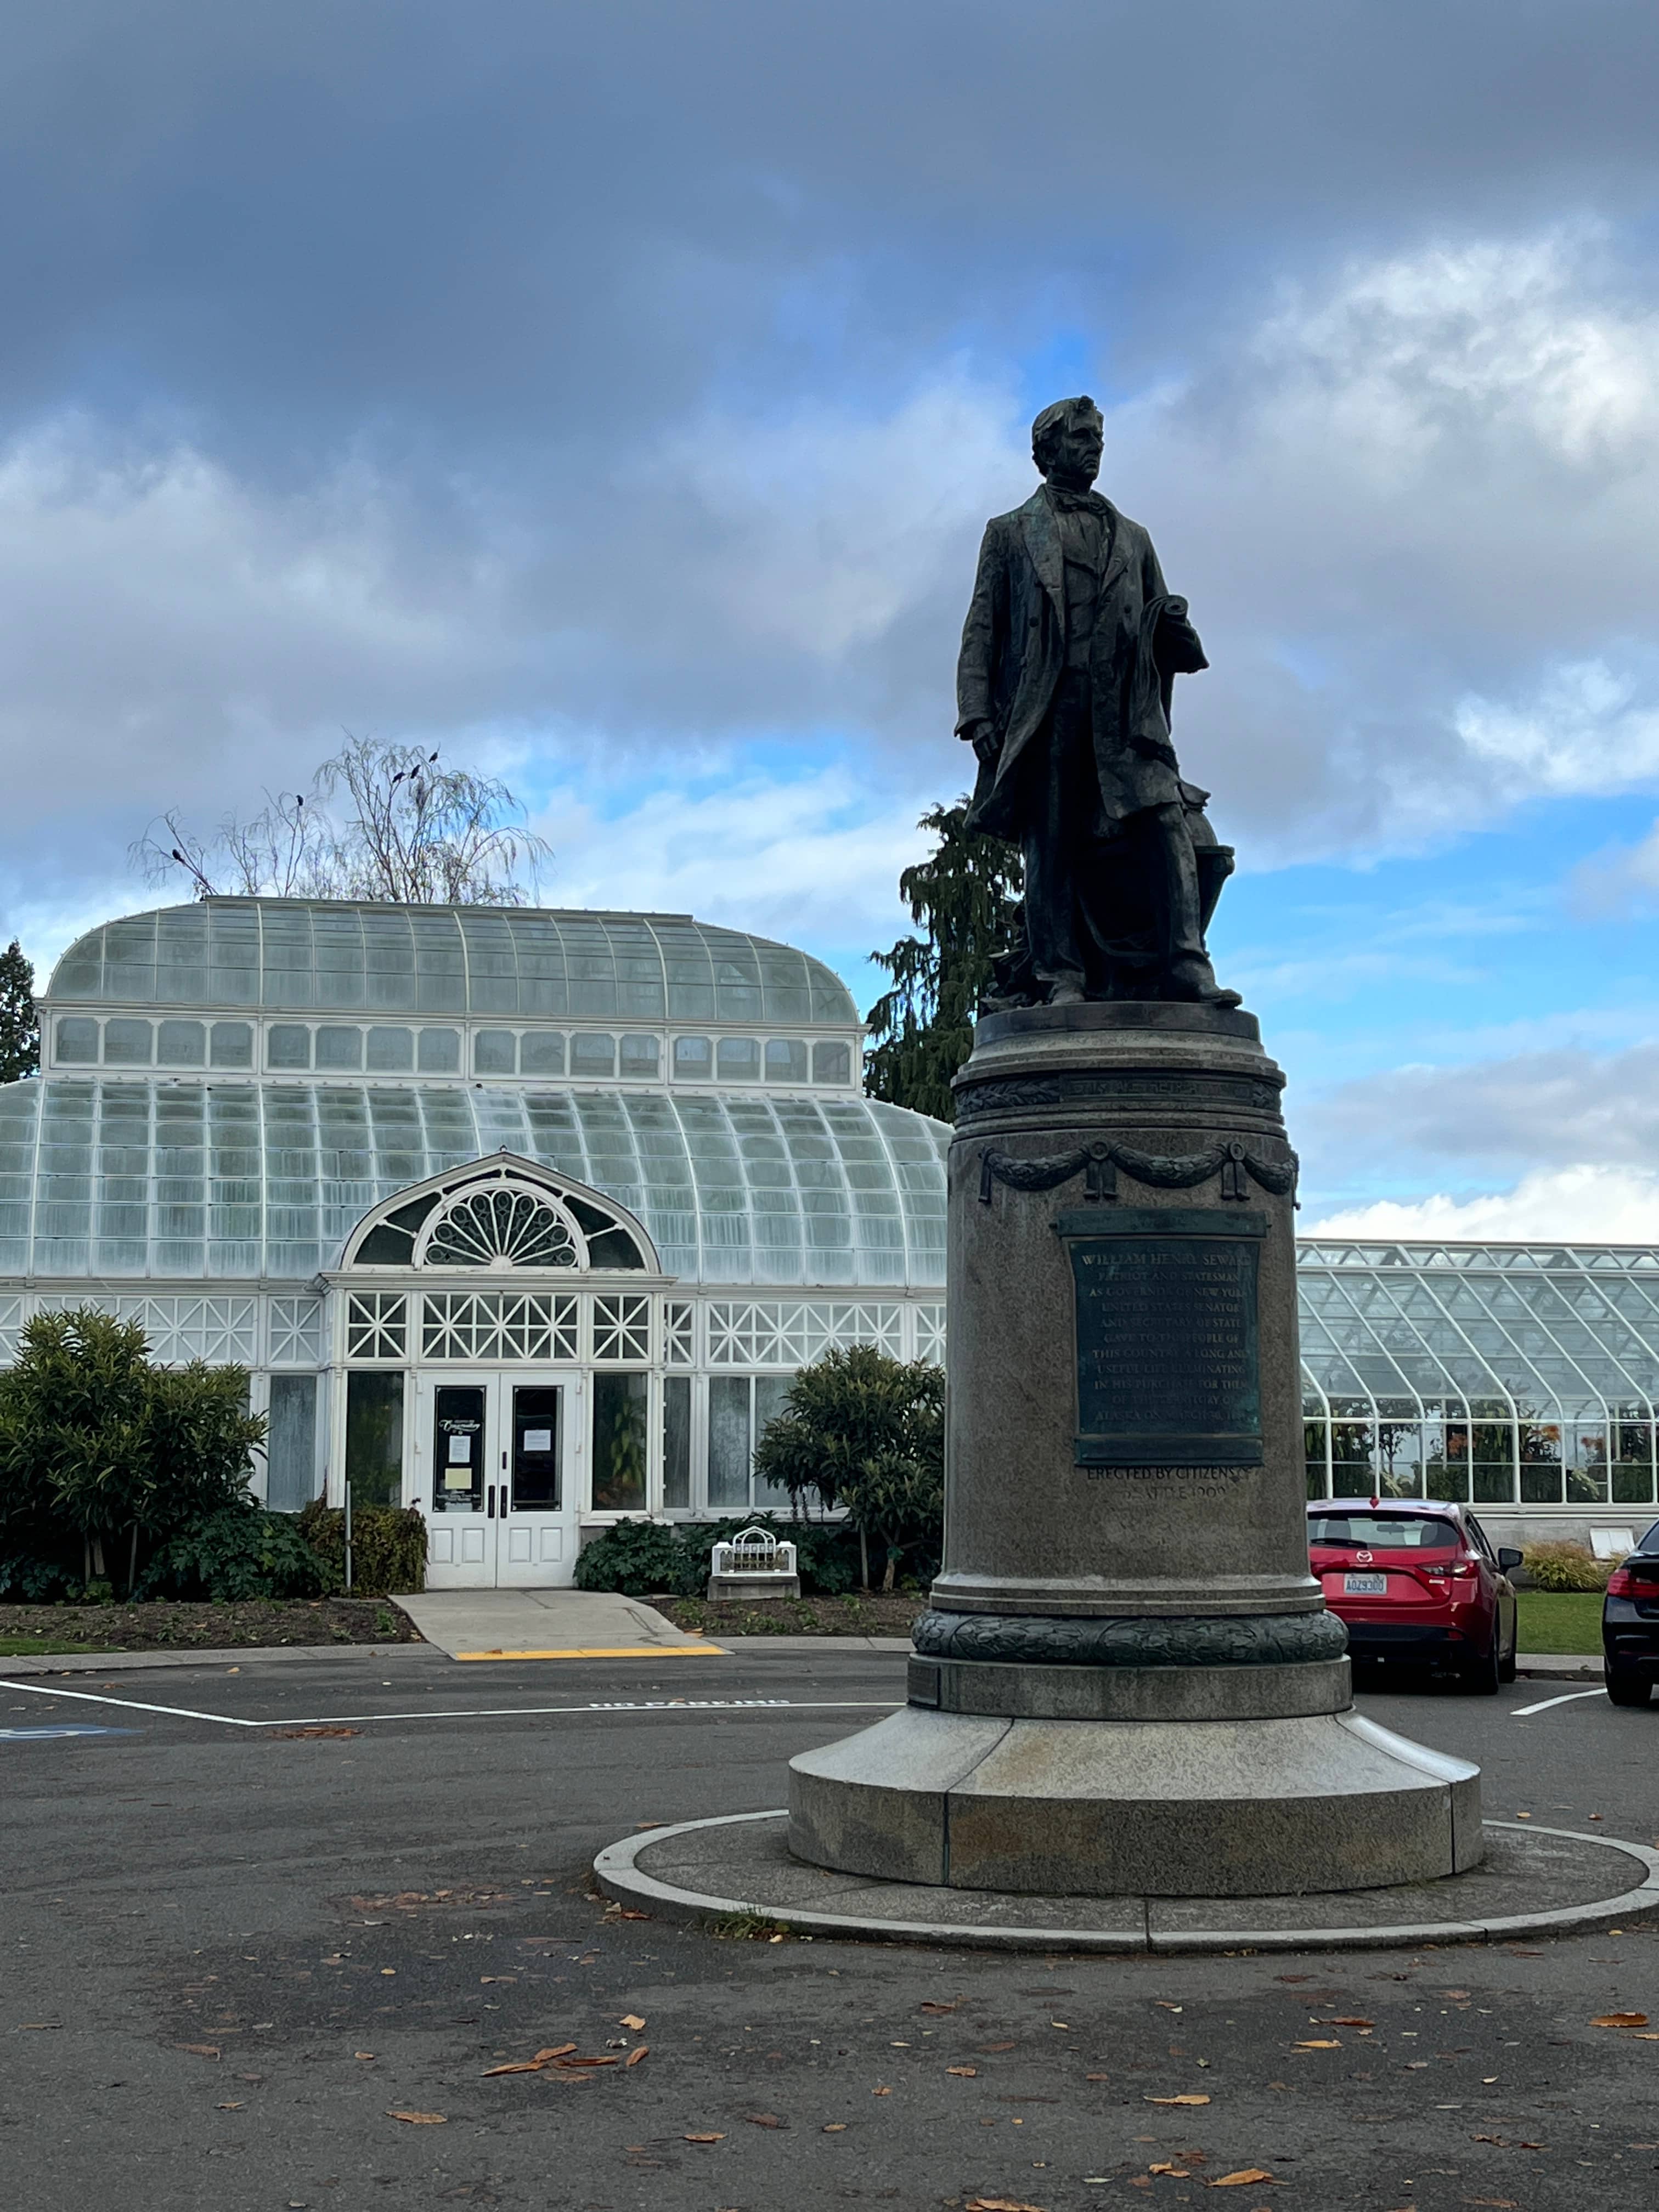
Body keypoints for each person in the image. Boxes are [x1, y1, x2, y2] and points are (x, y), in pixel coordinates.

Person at [956, 394, 1238, 1008]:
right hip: (1046, 708)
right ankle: (1061, 975)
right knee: (1051, 840)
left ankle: (1186, 964)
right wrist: (976, 712)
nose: (1095, 449)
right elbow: (983, 625)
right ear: (1047, 451)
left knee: (1165, 820)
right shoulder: (1009, 533)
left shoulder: (1134, 538)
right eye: (1082, 438)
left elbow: (1163, 620)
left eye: (1099, 440)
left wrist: (1176, 632)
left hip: (1124, 713)